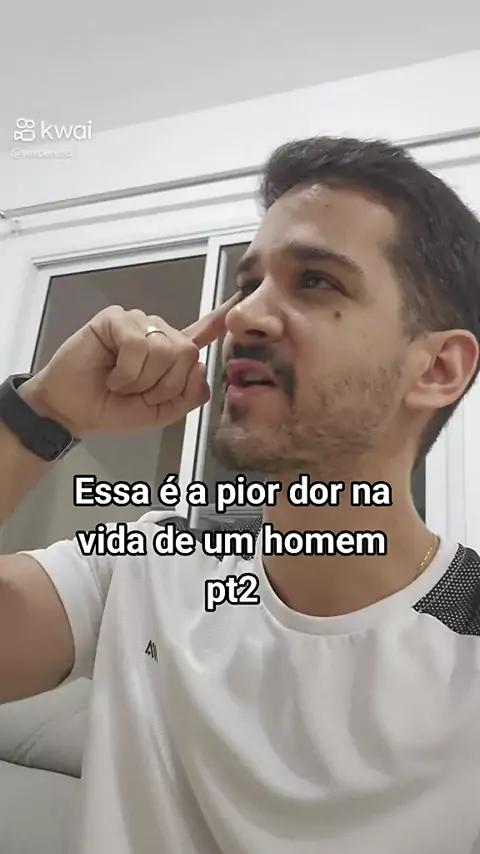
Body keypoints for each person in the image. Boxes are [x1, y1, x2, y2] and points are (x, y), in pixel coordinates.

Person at [1, 135, 480, 854]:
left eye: (315, 281)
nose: (243, 318)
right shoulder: (155, 561)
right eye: (248, 284)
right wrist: (41, 412)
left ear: (438, 368)